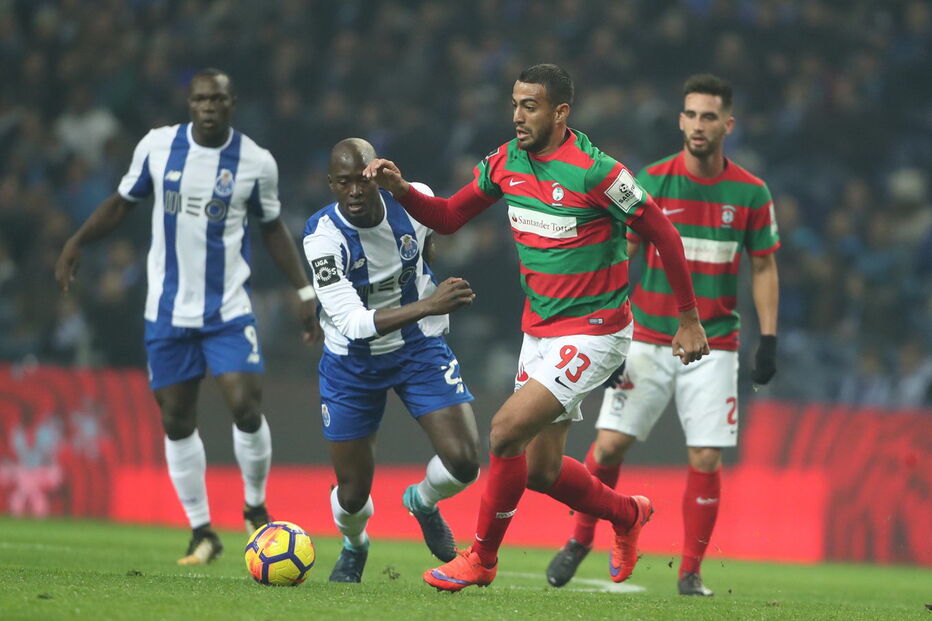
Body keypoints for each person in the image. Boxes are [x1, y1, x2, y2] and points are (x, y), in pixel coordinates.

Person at [364, 64, 710, 592]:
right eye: (515, 104)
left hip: (596, 330)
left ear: (560, 112)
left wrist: (688, 318)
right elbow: (449, 217)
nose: (518, 116)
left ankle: (481, 558)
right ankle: (628, 514)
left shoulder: (598, 173)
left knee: (505, 432)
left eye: (530, 106)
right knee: (542, 470)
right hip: (540, 331)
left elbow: (664, 233)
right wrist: (401, 189)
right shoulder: (507, 162)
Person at [55, 68, 320, 565]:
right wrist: (77, 241)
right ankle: (202, 532)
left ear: (232, 102)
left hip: (228, 309)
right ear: (190, 103)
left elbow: (272, 228)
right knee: (176, 418)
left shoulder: (255, 161)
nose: (208, 107)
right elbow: (121, 204)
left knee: (246, 404)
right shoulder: (158, 147)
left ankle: (255, 509)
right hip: (167, 310)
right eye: (200, 99)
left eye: (217, 99)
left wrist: (303, 288)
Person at [546, 74, 780, 596]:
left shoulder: (751, 192)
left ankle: (690, 573)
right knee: (608, 446)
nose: (698, 125)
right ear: (680, 120)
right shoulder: (650, 180)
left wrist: (769, 338)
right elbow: (621, 256)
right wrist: (607, 332)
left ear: (728, 125)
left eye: (709, 116)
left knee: (706, 457)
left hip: (715, 342)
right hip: (647, 337)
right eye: (691, 115)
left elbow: (764, 266)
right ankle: (581, 538)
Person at [303, 138, 481, 583]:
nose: (355, 191)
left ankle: (422, 501)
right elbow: (352, 322)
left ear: (377, 177)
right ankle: (354, 544)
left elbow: (432, 236)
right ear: (331, 185)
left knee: (464, 462)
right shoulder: (322, 237)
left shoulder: (411, 201)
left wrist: (426, 288)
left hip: (417, 349)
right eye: (343, 183)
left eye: (362, 180)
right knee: (352, 495)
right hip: (351, 363)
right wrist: (429, 305)